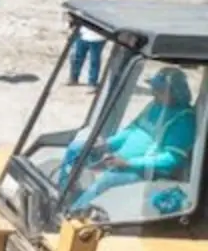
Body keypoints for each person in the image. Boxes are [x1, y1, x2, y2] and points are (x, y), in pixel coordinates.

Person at [59, 68, 197, 211]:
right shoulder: (155, 106)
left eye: (159, 90)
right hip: (120, 161)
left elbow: (171, 160)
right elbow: (132, 130)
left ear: (175, 93)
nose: (153, 93)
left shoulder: (183, 120)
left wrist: (128, 163)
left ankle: (74, 213)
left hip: (145, 173)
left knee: (106, 181)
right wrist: (108, 144)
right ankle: (64, 195)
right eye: (154, 88)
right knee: (77, 148)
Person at [70, 0, 126, 88]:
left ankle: (92, 83)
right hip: (83, 33)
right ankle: (73, 78)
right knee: (77, 58)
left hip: (98, 37)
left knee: (94, 61)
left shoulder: (111, 1)